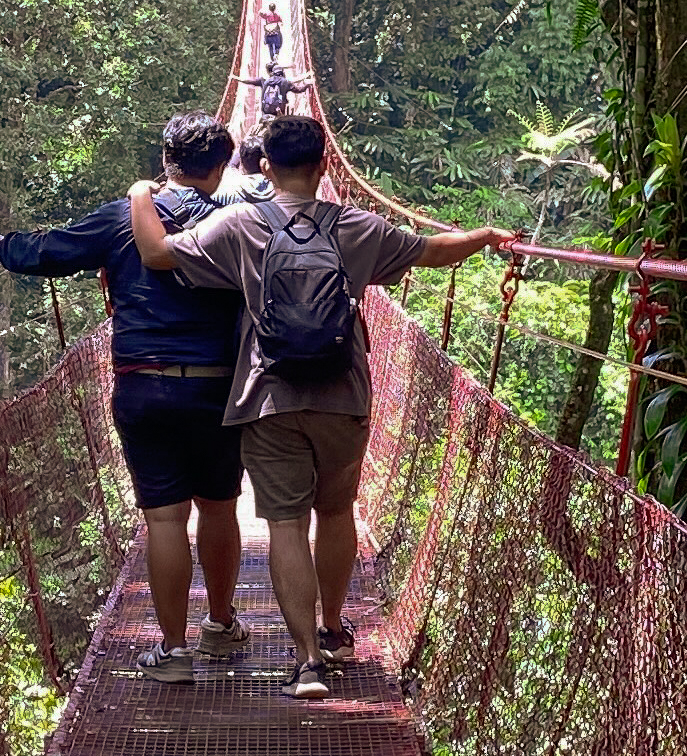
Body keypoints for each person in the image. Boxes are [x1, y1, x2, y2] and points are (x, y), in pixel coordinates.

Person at [128, 113, 508, 700]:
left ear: (263, 167)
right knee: (335, 514)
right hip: (344, 394)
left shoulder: (238, 222)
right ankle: (334, 630)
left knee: (284, 524)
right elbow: (432, 251)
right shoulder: (357, 225)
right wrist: (483, 238)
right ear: (325, 165)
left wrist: (139, 193)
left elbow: (155, 253)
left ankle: (306, 663)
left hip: (267, 396)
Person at [0, 116, 250, 683]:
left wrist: (1, 245)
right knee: (218, 506)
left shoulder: (124, 216)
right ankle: (220, 625)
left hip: (144, 385)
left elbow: (52, 250)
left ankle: (173, 654)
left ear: (166, 160)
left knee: (165, 519)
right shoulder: (239, 222)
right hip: (220, 386)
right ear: (222, 167)